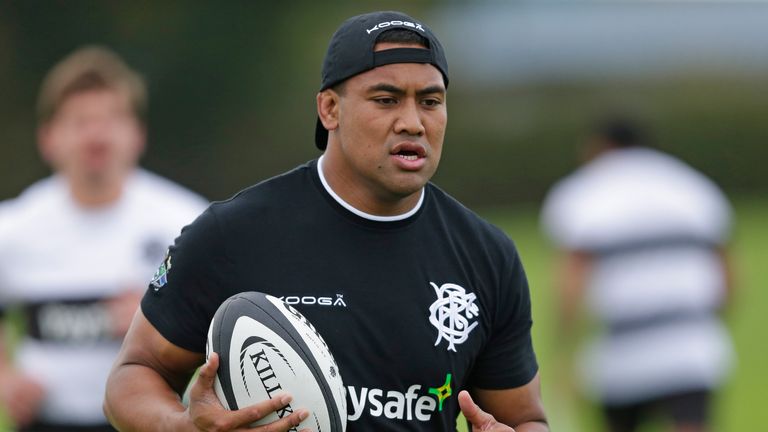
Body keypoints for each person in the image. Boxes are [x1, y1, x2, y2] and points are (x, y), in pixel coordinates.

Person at [103, 10, 549, 432]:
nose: (412, 122)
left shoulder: (487, 256)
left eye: (430, 101)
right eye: (386, 99)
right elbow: (134, 374)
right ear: (330, 109)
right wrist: (182, 425)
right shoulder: (233, 235)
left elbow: (526, 416)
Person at [0, 46, 208, 431]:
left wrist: (158, 323)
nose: (96, 135)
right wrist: (5, 377)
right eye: (80, 122)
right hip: (45, 422)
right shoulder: (14, 227)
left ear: (138, 134)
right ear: (48, 138)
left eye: (112, 119)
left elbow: (227, 322)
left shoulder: (186, 221)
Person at [540, 117, 735, 432]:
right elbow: (727, 275)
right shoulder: (693, 187)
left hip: (621, 353)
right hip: (691, 344)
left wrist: (565, 349)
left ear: (599, 146)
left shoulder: (582, 193)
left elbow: (572, 283)